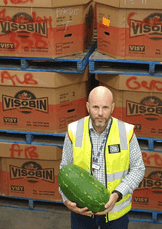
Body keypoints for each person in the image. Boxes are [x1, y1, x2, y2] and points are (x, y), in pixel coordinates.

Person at [59, 86, 146, 229]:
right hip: (82, 211)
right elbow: (64, 168)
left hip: (115, 212)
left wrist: (118, 194)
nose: (100, 113)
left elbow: (138, 169)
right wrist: (65, 199)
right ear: (87, 106)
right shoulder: (73, 131)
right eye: (95, 107)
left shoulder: (126, 132)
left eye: (105, 107)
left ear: (112, 107)